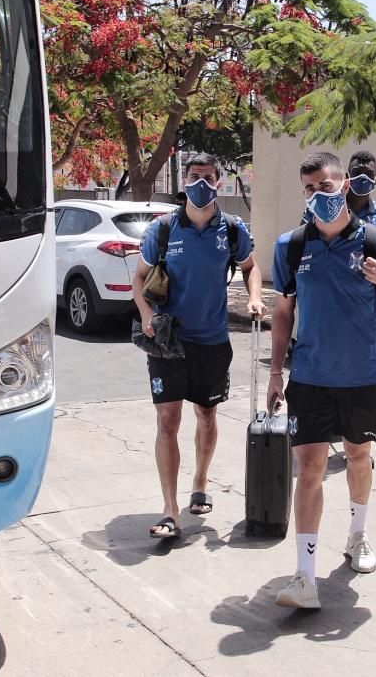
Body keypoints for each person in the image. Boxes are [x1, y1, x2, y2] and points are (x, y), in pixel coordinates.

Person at [267, 151, 376, 609]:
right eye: (310, 189)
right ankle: (304, 577)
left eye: (326, 187)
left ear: (346, 187)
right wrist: (276, 370)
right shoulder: (290, 246)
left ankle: (357, 536)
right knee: (309, 469)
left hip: (361, 377)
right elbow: (282, 311)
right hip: (310, 377)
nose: (318, 196)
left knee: (358, 457)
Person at [132, 153, 265, 539]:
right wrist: (144, 315)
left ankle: (201, 482)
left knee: (207, 416)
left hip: (212, 341)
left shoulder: (233, 229)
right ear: (184, 181)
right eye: (194, 176)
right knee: (167, 421)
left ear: (219, 182)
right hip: (168, 340)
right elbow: (139, 279)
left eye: (208, 177)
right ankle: (170, 509)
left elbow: (251, 267)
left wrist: (256, 297)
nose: (201, 183)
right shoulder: (163, 229)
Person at [301, 151, 376, 229]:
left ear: (375, 181)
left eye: (368, 173)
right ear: (347, 177)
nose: (363, 178)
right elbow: (301, 239)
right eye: (357, 172)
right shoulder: (322, 205)